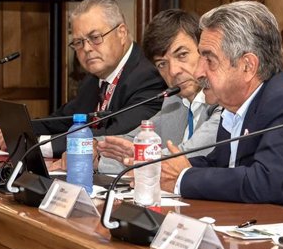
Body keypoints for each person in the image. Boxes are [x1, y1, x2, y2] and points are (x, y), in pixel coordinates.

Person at [159, 1, 283, 218]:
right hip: (258, 223)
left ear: (248, 66)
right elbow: (221, 164)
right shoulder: (236, 104)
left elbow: (265, 182)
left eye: (209, 60)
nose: (198, 72)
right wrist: (175, 166)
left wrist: (184, 177)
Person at [0, 0, 166, 156]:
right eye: (78, 42)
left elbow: (113, 135)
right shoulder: (92, 81)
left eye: (95, 38)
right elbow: (60, 121)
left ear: (121, 33)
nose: (86, 48)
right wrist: (13, 131)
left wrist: (33, 144)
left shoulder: (149, 76)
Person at [95, 9, 221, 173]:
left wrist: (135, 158)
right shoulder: (174, 101)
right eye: (162, 64)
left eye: (182, 55)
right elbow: (133, 140)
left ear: (203, 50)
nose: (173, 71)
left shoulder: (224, 100)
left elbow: (186, 156)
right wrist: (94, 148)